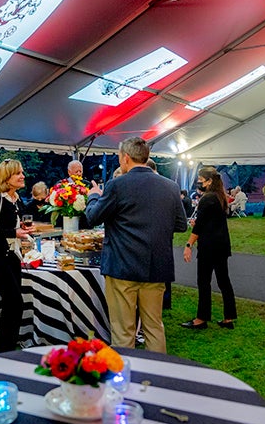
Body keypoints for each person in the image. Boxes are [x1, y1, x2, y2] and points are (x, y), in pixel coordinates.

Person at [85, 136, 187, 353]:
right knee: (154, 327)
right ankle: (155, 377)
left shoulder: (116, 185)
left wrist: (94, 196)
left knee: (123, 331)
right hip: (157, 267)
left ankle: (125, 380)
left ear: (126, 158)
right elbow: (181, 225)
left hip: (123, 267)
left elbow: (92, 217)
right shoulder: (170, 186)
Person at [0, 159, 33, 354]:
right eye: (18, 173)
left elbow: (20, 223)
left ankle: (6, 348)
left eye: (22, 172)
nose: (22, 176)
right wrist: (13, 232)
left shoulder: (17, 198)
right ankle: (2, 351)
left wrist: (26, 230)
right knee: (15, 303)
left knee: (14, 304)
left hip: (13, 257)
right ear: (7, 177)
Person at [181, 166, 237, 329]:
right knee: (224, 281)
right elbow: (209, 221)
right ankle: (229, 317)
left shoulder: (207, 199)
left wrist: (188, 245)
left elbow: (200, 227)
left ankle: (201, 318)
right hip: (222, 244)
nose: (199, 184)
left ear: (209, 181)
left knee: (204, 281)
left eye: (201, 181)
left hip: (209, 246)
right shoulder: (220, 197)